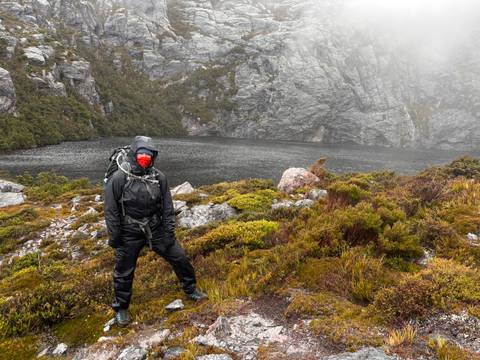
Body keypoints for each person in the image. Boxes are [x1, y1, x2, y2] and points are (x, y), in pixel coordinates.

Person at [104, 136, 207, 326]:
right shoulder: (119, 178)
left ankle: (191, 289)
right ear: (134, 155)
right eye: (141, 153)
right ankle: (121, 309)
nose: (145, 157)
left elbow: (168, 206)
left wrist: (169, 232)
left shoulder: (159, 177)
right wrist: (115, 238)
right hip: (129, 231)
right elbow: (111, 211)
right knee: (123, 272)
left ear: (154, 156)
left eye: (149, 154)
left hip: (155, 228)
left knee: (179, 258)